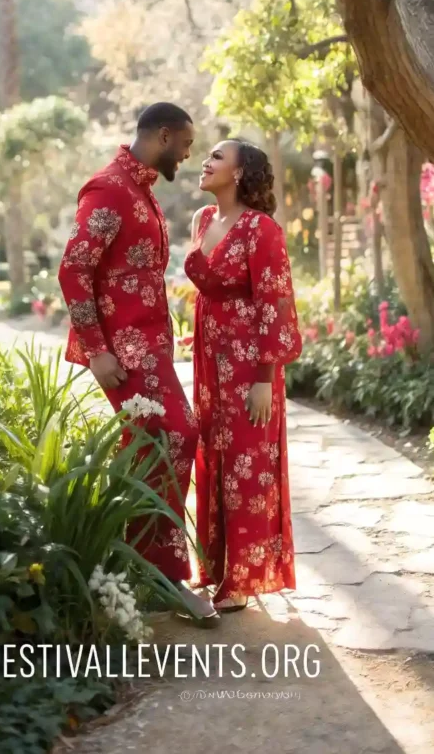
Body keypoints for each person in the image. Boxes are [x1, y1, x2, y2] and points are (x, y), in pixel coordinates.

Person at [58, 103, 218, 623]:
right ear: (164, 135)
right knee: (174, 433)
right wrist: (98, 350)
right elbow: (73, 270)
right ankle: (161, 576)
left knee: (155, 443)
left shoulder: (141, 190)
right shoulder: (108, 189)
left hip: (149, 348)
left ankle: (142, 574)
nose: (191, 153)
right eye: (187, 143)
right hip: (123, 354)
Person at [184, 139, 302, 612]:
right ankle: (214, 567)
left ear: (238, 173)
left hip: (249, 361)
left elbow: (275, 301)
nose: (206, 162)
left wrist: (263, 377)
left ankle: (245, 579)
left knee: (248, 465)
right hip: (211, 360)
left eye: (216, 157)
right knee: (214, 456)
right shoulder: (204, 221)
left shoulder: (261, 229)